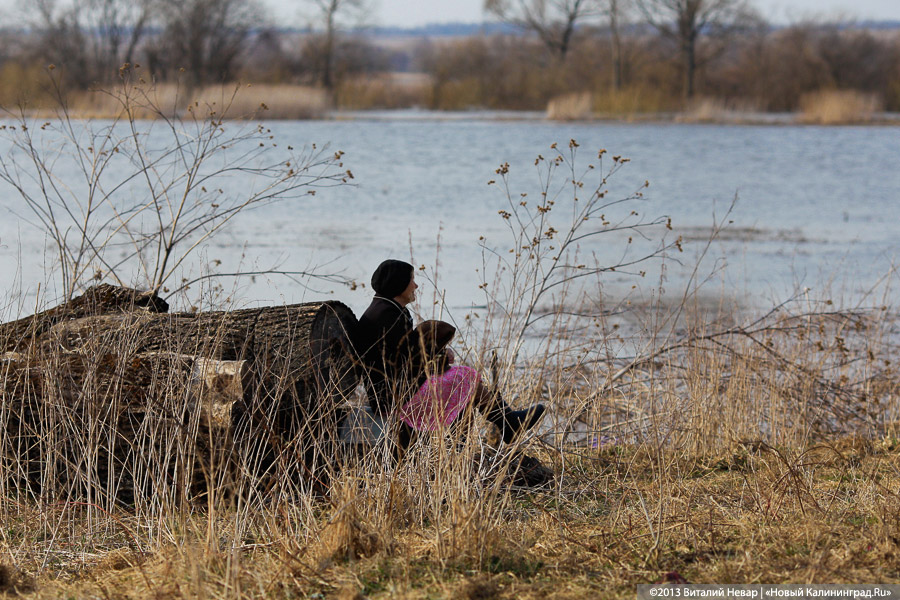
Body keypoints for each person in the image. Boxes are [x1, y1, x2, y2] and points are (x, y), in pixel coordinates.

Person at [354, 259, 545, 445]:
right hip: (394, 398)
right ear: (399, 283)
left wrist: (437, 356)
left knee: (462, 383)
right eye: (412, 279)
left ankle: (493, 430)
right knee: (464, 377)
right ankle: (505, 423)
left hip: (397, 391)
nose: (416, 285)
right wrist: (441, 359)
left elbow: (404, 356)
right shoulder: (387, 316)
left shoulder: (388, 310)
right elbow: (403, 363)